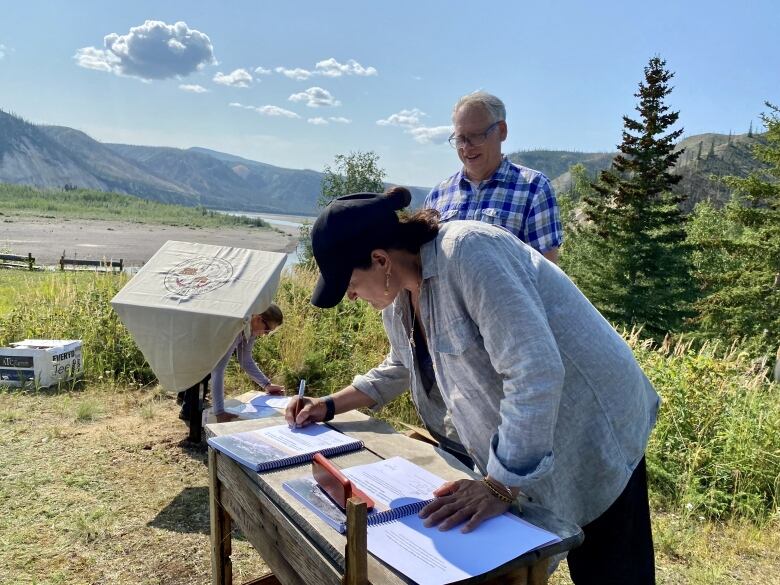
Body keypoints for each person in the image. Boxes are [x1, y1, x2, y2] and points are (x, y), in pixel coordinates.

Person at [286, 187, 659, 584]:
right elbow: (401, 365)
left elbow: (534, 372)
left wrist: (499, 487)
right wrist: (327, 405)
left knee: (610, 568)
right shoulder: (398, 297)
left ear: (380, 259)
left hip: (593, 431)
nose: (350, 295)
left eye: (349, 283)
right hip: (528, 443)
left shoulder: (469, 253)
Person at [425, 91, 562, 264]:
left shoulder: (534, 189)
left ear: (502, 131)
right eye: (460, 138)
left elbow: (546, 274)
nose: (466, 147)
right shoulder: (438, 195)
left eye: (476, 136)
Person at [181, 304, 285, 423]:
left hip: (206, 340)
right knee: (203, 372)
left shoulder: (251, 330)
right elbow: (218, 369)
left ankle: (186, 399)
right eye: (267, 330)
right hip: (194, 337)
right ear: (258, 318)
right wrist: (220, 412)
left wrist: (267, 385)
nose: (265, 334)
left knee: (205, 372)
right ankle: (189, 413)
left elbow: (245, 360)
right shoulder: (235, 328)